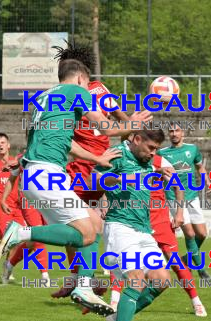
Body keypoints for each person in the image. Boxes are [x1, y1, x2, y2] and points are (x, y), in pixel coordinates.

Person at [0, 57, 151, 316]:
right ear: (81, 78)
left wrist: (96, 158)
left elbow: (66, 143)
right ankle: (21, 233)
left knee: (93, 226)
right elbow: (105, 128)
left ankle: (83, 286)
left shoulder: (44, 99)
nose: (89, 89)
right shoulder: (77, 91)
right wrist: (133, 123)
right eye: (88, 83)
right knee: (86, 233)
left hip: (36, 174)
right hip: (47, 173)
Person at [49, 41, 133, 299]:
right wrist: (132, 127)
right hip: (92, 160)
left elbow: (119, 120)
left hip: (91, 162)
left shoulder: (77, 92)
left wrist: (130, 132)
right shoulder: (89, 91)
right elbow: (123, 120)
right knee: (84, 222)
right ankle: (84, 279)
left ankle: (84, 279)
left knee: (79, 222)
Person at [107, 134, 208, 317]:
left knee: (174, 261)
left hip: (159, 219)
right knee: (125, 262)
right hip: (131, 219)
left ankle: (196, 301)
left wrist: (178, 213)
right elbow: (106, 181)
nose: (152, 151)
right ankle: (114, 301)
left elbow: (178, 186)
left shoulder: (159, 161)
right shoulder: (121, 158)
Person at [93, 128, 173, 321]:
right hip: (120, 228)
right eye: (151, 148)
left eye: (156, 149)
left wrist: (159, 176)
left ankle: (116, 318)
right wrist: (121, 178)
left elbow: (142, 184)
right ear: (137, 139)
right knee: (136, 280)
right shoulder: (117, 153)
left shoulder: (147, 162)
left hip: (143, 230)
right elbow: (95, 178)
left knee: (162, 280)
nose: (153, 153)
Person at [0, 133, 48, 283]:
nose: (1, 145)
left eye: (3, 142)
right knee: (8, 239)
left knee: (21, 239)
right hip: (0, 205)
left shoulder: (16, 161)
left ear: (8, 145)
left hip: (17, 204)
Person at [157, 124, 211, 280]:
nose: (174, 134)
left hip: (192, 196)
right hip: (174, 197)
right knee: (189, 233)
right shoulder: (162, 153)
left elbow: (199, 167)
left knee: (202, 234)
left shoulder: (192, 149)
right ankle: (201, 271)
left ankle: (185, 260)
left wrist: (206, 180)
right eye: (171, 131)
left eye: (177, 131)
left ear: (183, 133)